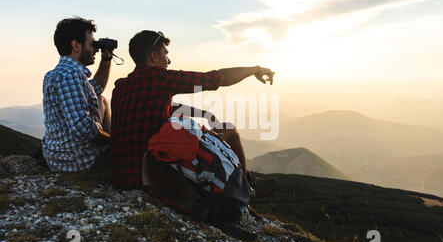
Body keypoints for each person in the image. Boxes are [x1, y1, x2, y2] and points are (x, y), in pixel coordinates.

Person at [111, 30, 279, 196]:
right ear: (154, 57)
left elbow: (153, 105)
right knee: (229, 130)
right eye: (165, 53)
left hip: (125, 177)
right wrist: (254, 70)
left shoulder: (121, 87)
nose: (168, 60)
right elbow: (217, 78)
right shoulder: (160, 78)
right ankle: (248, 185)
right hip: (156, 178)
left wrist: (203, 113)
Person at [42, 17, 112, 172]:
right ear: (75, 46)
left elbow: (97, 87)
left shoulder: (56, 73)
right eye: (92, 44)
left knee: (101, 99)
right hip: (77, 161)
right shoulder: (71, 75)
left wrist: (106, 58)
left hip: (58, 157)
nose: (95, 49)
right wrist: (113, 142)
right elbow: (82, 127)